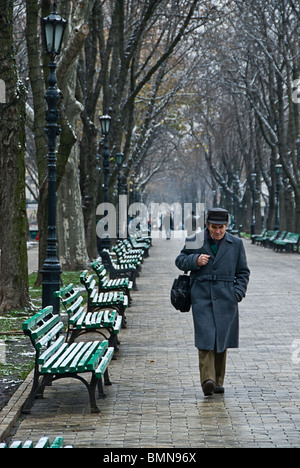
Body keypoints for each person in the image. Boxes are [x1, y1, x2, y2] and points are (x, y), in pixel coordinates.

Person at [175, 208, 250, 397]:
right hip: (201, 295)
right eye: (214, 227)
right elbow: (180, 260)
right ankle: (207, 380)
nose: (218, 231)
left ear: (227, 226)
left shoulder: (236, 244)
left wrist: (237, 293)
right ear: (207, 226)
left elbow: (243, 272)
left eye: (222, 227)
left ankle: (217, 381)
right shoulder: (196, 240)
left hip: (226, 298)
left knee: (221, 339)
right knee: (206, 336)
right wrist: (195, 260)